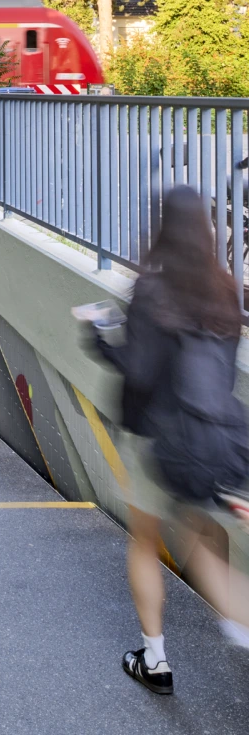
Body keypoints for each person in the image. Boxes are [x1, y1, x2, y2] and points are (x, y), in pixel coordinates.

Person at [90, 185, 249, 696]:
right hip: (213, 441)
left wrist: (98, 335)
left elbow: (138, 373)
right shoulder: (226, 291)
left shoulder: (154, 290)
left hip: (159, 440)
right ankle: (233, 620)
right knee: (204, 531)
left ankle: (155, 660)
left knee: (146, 540)